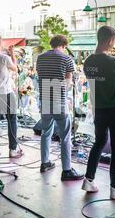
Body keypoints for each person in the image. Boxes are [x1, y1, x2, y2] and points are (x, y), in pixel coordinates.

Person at [83, 26, 115, 199]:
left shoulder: (88, 61)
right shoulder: (114, 61)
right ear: (111, 40)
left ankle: (88, 180)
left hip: (98, 108)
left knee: (99, 142)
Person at [36, 35, 84, 181]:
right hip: (59, 101)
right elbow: (68, 82)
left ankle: (45, 163)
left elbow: (40, 76)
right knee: (65, 137)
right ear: (64, 45)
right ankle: (67, 170)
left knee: (45, 133)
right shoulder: (66, 58)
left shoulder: (40, 57)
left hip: (44, 100)